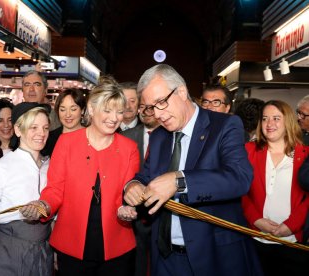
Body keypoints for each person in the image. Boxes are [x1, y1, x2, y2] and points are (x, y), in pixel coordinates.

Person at [123, 64, 262, 276]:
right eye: (151, 107)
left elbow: (239, 178)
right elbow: (145, 176)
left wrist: (179, 181)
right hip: (165, 257)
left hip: (212, 256)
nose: (158, 114)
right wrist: (132, 185)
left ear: (181, 91)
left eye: (161, 102)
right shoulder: (160, 136)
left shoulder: (224, 126)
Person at [21, 78, 140, 276]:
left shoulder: (129, 148)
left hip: (117, 246)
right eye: (108, 110)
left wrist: (128, 209)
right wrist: (43, 205)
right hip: (72, 245)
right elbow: (55, 189)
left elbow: (128, 192)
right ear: (91, 110)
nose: (115, 118)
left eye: (119, 112)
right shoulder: (66, 143)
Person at [0, 102, 53, 276]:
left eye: (45, 128)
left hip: (44, 248)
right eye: (33, 127)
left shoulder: (52, 166)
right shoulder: (1, 166)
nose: (41, 134)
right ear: (18, 130)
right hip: (9, 248)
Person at [242, 100, 309, 276]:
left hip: (293, 244)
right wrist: (256, 219)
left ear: (287, 121)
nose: (269, 124)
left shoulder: (305, 154)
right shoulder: (248, 151)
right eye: (265, 118)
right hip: (255, 239)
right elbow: (240, 191)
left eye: (276, 118)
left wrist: (291, 225)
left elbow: (307, 197)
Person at [122, 94, 160, 276]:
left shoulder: (171, 137)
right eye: (143, 106)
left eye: (151, 106)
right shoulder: (126, 137)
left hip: (162, 213)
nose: (147, 111)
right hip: (132, 214)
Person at [41, 89, 86, 157]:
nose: (68, 115)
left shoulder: (92, 137)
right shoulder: (49, 139)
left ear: (82, 110)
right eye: (62, 110)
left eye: (73, 109)